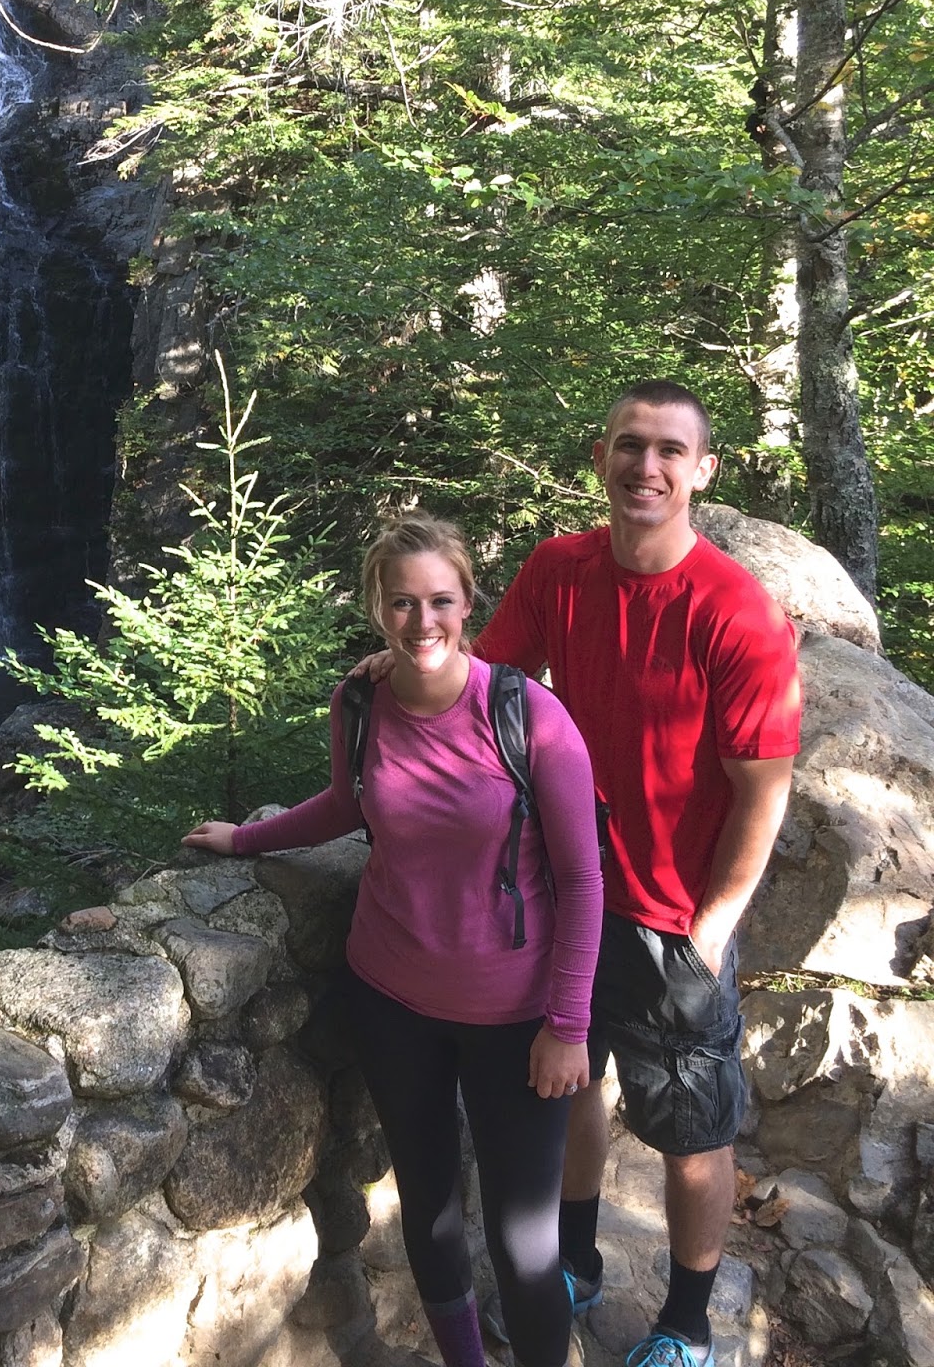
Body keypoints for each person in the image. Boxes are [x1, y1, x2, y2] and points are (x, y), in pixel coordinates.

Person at [356, 381, 801, 1367]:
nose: (647, 466)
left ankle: (686, 1321)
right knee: (568, 1085)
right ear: (600, 457)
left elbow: (762, 790)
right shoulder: (561, 570)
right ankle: (574, 1261)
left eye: (670, 450)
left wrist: (712, 928)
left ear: (702, 470)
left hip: (672, 915)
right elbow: (477, 682)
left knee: (690, 1126)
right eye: (629, 444)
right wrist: (393, 666)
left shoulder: (735, 611)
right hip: (561, 898)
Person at [185, 512, 602, 1367]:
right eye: (402, 602)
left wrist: (567, 1025)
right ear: (377, 606)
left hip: (514, 1018)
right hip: (391, 1000)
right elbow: (347, 803)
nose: (422, 622)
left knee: (525, 1243)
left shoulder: (530, 716)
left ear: (468, 602)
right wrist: (246, 838)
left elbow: (584, 879)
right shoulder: (360, 701)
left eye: (440, 601)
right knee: (431, 1209)